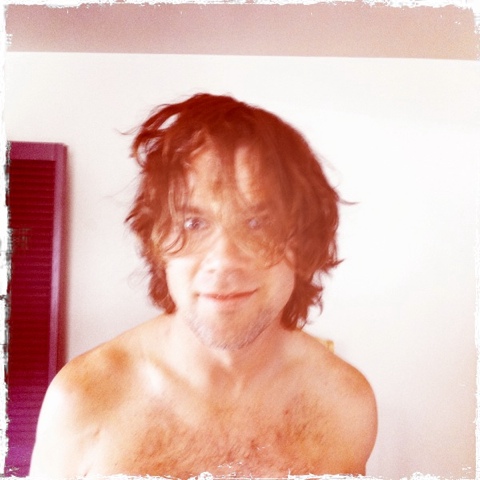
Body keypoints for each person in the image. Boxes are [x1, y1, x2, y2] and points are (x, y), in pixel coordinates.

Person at [29, 93, 377, 479]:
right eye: (194, 223)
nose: (224, 260)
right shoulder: (82, 399)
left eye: (258, 223)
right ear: (157, 243)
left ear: (305, 242)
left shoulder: (346, 403)